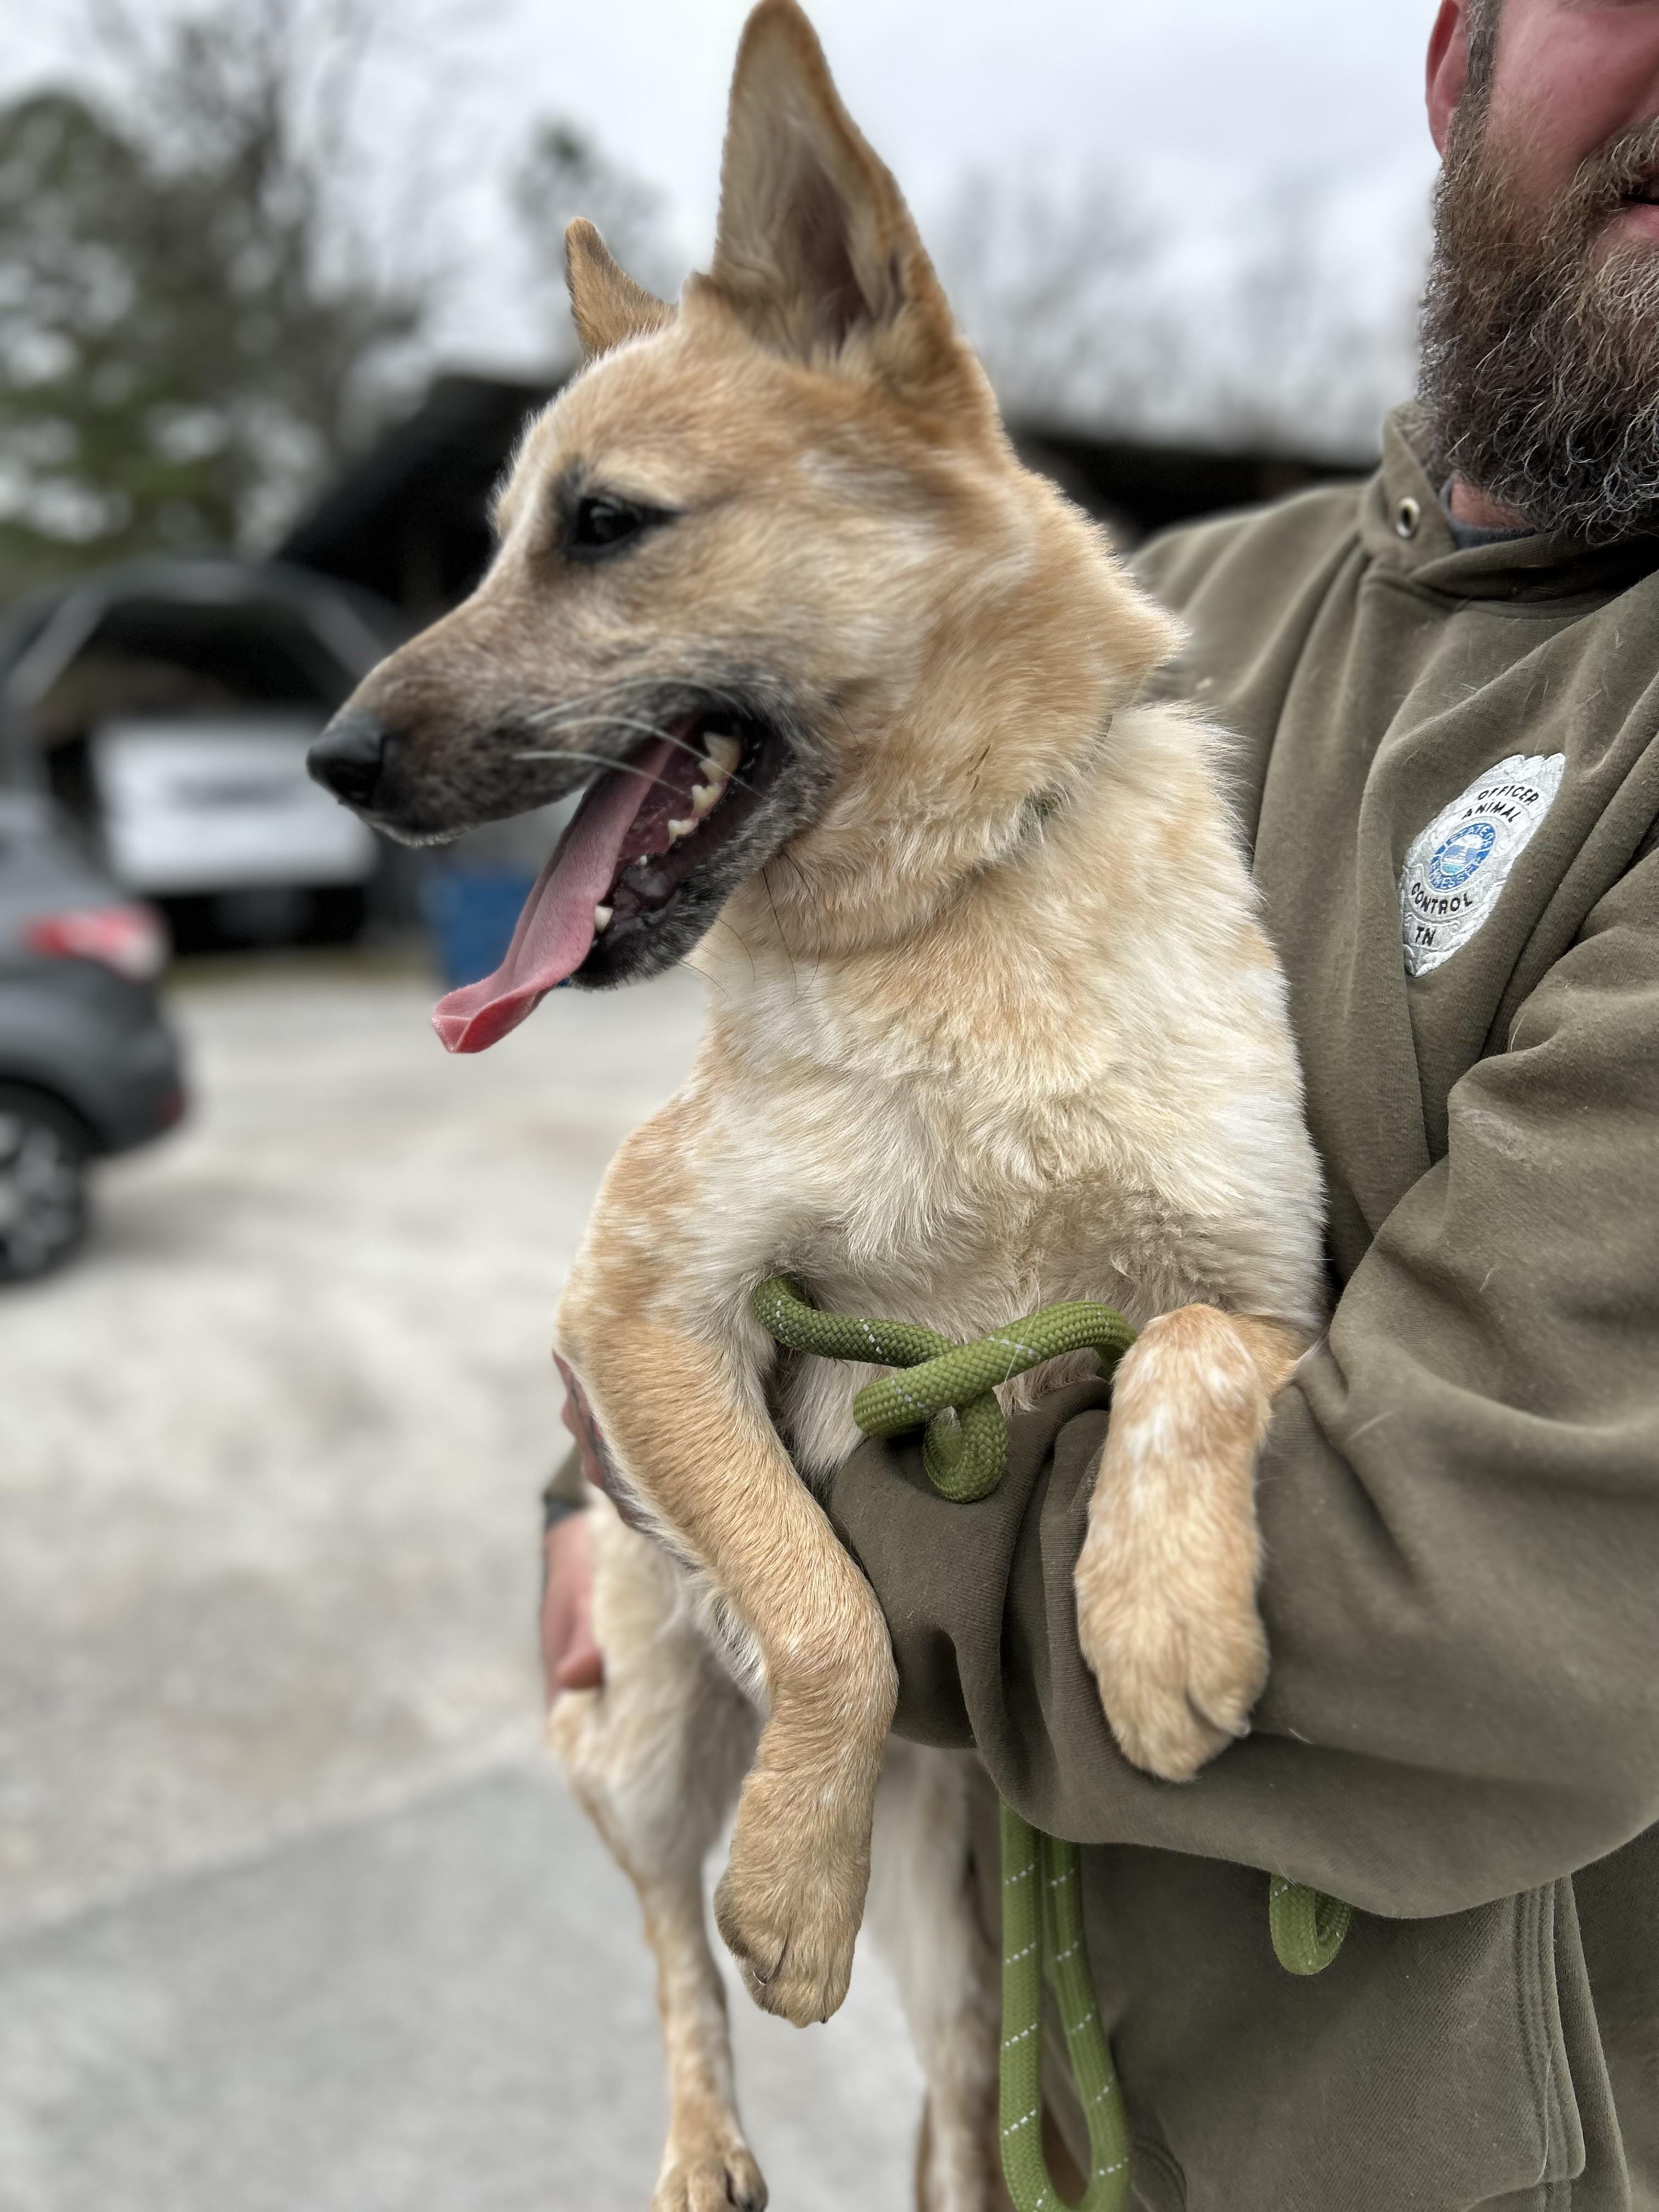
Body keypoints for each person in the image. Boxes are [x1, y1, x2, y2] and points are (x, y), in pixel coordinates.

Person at [540, 1, 1659, 2203]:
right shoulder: (1161, 618)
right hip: (1014, 2126)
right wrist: (600, 1483)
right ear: (1457, 54)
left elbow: (1469, 1623)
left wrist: (737, 1527)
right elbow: (750, 1143)